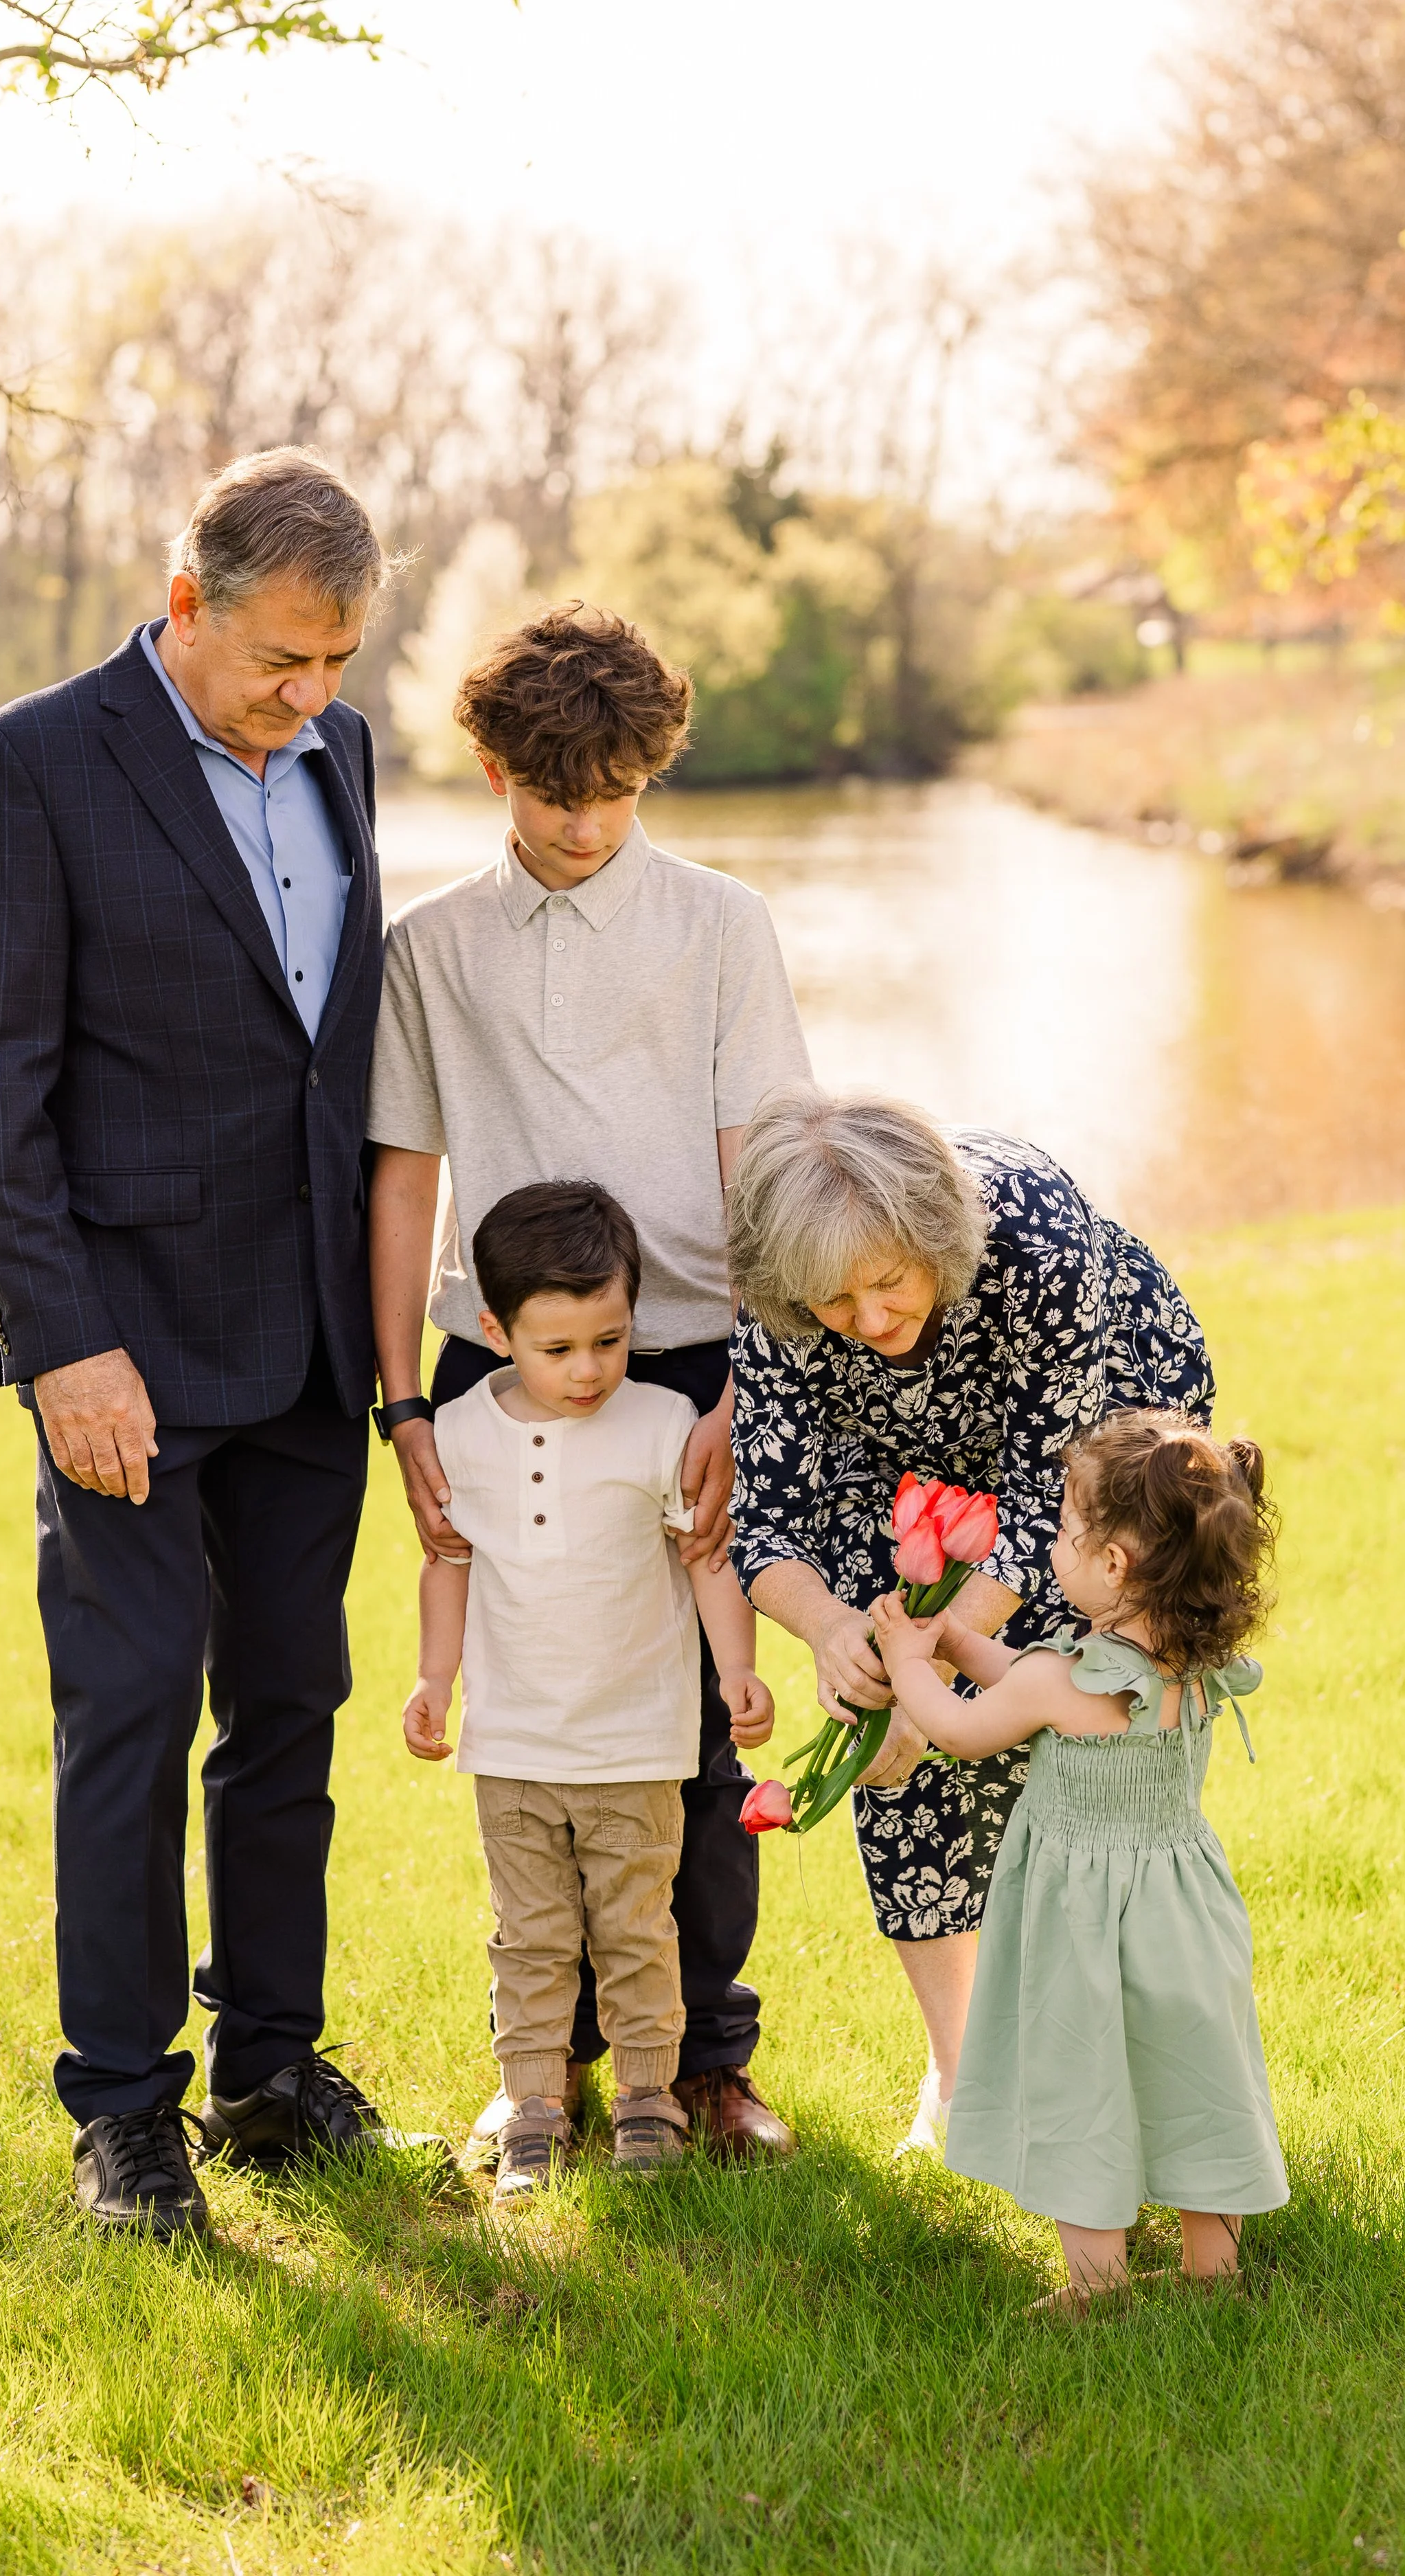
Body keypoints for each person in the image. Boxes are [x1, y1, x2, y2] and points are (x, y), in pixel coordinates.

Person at [0, 447, 396, 2238]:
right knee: (126, 1717)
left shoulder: (345, 756)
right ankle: (124, 2112)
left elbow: (329, 1060)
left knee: (291, 1707)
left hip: (303, 1340)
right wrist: (63, 1344)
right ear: (186, 604)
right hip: (118, 1348)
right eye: (286, 658)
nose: (314, 697)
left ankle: (271, 2067)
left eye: (341, 661)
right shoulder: (29, 764)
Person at [367, 604, 810, 2163]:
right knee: (539, 1720)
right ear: (491, 768)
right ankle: (540, 2076)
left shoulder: (718, 925)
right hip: (490, 1370)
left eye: (615, 791)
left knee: (695, 1727)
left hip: (688, 1361)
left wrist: (752, 1384)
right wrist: (402, 1405)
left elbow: (761, 1166)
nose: (582, 822)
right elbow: (402, 1177)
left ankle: (703, 2067)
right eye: (553, 792)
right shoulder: (426, 946)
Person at [724, 1087, 1215, 2159]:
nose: (871, 1319)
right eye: (835, 1304)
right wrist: (838, 1636)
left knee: (1076, 1737)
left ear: (933, 1238)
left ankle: (1119, 2067)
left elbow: (1050, 1499)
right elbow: (765, 1520)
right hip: (887, 1465)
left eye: (889, 1282)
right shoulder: (784, 1300)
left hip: (1095, 1446)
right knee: (901, 1763)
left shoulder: (1033, 1235)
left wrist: (933, 1660)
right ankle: (967, 2086)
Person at [401, 1182, 773, 2200]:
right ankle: (535, 2109)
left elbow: (705, 1558)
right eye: (557, 1348)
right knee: (529, 1935)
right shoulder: (461, 1433)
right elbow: (449, 1561)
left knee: (637, 1925)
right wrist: (437, 1679)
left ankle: (651, 2099)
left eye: (609, 1341)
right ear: (495, 1329)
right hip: (513, 1747)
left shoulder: (662, 1421)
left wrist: (736, 1667)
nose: (588, 1370)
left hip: (638, 1744)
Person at [871, 1410, 1289, 2314]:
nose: (1052, 1544)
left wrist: (909, 1660)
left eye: (1064, 1529)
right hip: (1185, 1913)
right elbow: (1026, 1669)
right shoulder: (1193, 1664)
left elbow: (958, 1727)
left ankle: (1096, 2287)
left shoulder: (1059, 1683)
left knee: (1081, 2080)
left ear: (1113, 1566)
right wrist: (956, 1643)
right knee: (1192, 2073)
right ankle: (1212, 2271)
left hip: (1082, 1923)